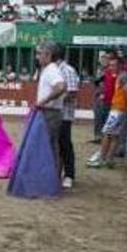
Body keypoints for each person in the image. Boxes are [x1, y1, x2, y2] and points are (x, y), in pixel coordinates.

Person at [35, 42, 68, 174]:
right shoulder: (49, 69)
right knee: (49, 145)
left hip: (50, 113)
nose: (37, 57)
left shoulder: (52, 70)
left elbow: (60, 87)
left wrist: (44, 101)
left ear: (48, 55)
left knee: (47, 146)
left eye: (40, 54)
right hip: (50, 112)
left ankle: (50, 178)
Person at [89, 72, 127, 168]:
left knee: (107, 134)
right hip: (121, 110)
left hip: (116, 111)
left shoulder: (123, 85)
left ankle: (102, 158)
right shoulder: (124, 85)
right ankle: (110, 159)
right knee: (115, 136)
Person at [56, 46, 80, 189]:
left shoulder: (68, 70)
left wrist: (54, 100)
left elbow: (71, 93)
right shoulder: (54, 70)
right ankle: (58, 172)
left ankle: (69, 174)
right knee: (57, 144)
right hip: (55, 113)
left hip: (64, 113)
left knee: (65, 144)